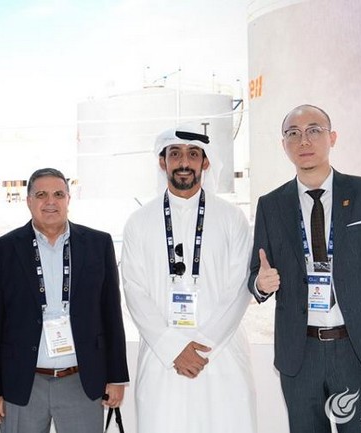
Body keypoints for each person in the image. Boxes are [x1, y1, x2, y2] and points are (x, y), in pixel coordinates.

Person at [249, 104, 361, 432]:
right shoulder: (271, 205)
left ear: (332, 138)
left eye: (314, 131)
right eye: (293, 134)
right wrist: (261, 284)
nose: (304, 141)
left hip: (358, 351)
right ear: (284, 145)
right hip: (299, 354)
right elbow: (256, 273)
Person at [121, 124, 256, 433]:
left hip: (220, 357)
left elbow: (239, 288)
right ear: (162, 162)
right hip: (162, 359)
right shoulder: (139, 222)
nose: (184, 162)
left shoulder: (232, 217)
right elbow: (133, 290)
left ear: (205, 162)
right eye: (175, 154)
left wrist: (202, 345)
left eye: (193, 154)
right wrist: (173, 348)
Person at [0, 168, 129, 433]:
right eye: (41, 195)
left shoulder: (98, 244)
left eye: (59, 194)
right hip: (23, 383)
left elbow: (111, 314)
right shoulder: (2, 250)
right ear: (29, 201)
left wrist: (117, 377)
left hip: (81, 380)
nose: (51, 202)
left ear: (68, 199)